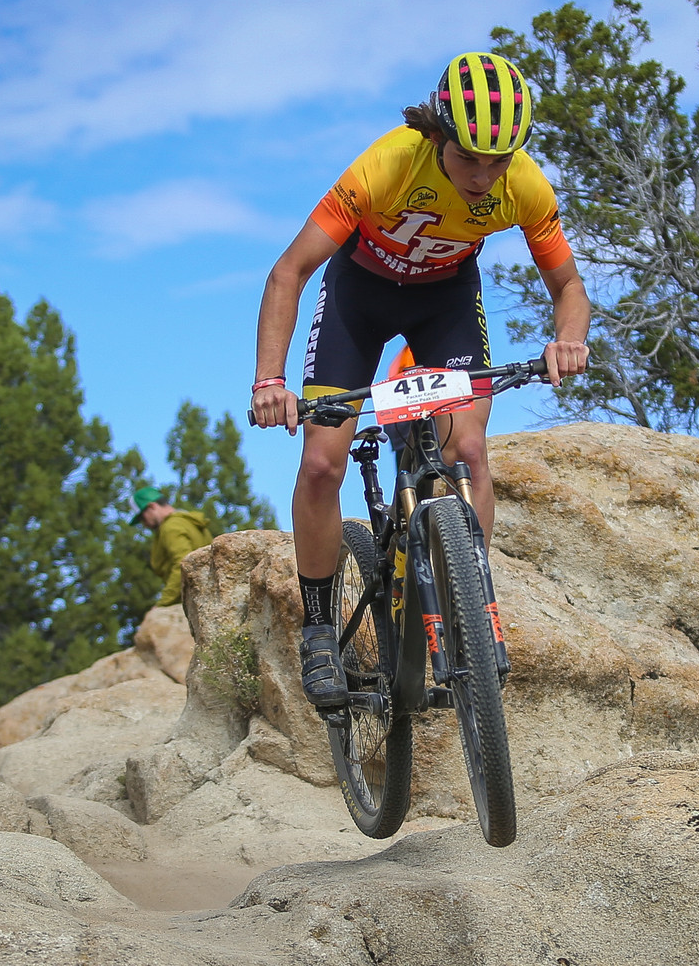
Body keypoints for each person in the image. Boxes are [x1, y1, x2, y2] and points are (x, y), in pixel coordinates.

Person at [249, 52, 591, 709]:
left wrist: (568, 339)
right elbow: (288, 271)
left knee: (468, 450)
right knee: (322, 463)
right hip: (359, 297)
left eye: (499, 161)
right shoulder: (387, 165)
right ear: (437, 136)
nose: (485, 178)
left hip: (445, 303)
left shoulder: (524, 185)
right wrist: (270, 379)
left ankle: (469, 606)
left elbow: (568, 286)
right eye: (469, 159)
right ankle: (319, 631)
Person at [132, 485, 212, 608]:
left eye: (142, 518)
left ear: (152, 506)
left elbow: (183, 564)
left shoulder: (170, 527)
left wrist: (163, 604)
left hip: (197, 601)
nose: (144, 524)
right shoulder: (189, 522)